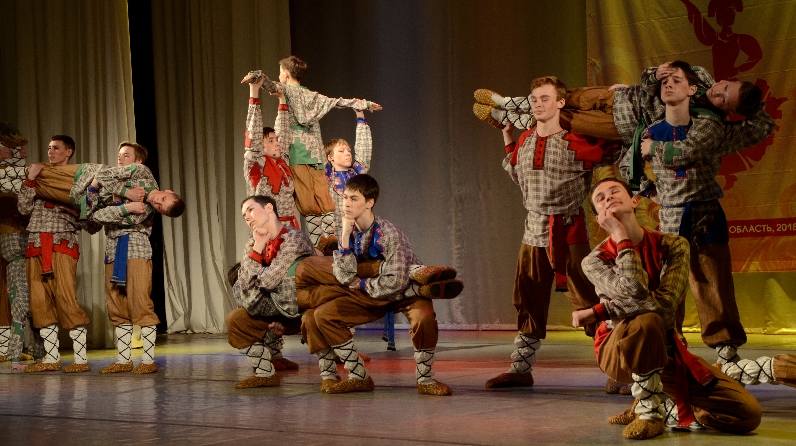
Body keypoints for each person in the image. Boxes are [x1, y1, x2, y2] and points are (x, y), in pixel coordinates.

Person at [574, 177, 761, 440]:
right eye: (601, 198)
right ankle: (649, 413)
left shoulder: (673, 245)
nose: (609, 198)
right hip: (617, 350)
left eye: (615, 191)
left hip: (665, 348)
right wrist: (621, 236)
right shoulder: (594, 260)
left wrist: (600, 311)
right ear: (599, 218)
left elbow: (666, 305)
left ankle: (674, 408)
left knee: (747, 414)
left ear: (634, 201)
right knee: (645, 320)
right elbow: (634, 290)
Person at [628, 61, 774, 368]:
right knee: (667, 285)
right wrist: (649, 191)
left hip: (705, 211)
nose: (670, 85)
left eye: (677, 81)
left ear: (691, 90)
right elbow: (627, 164)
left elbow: (761, 127)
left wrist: (745, 99)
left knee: (713, 282)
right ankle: (668, 348)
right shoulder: (652, 129)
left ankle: (726, 351)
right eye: (666, 82)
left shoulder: (712, 128)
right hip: (671, 216)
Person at [483, 76, 619, 389]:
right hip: (533, 229)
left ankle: (619, 369)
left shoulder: (577, 139)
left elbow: (616, 146)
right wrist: (507, 136)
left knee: (587, 298)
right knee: (527, 296)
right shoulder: (526, 138)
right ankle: (520, 368)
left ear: (560, 102)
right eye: (534, 99)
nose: (538, 105)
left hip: (566, 229)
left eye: (545, 98)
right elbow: (518, 176)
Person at [296, 174, 462, 395]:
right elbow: (344, 277)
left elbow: (396, 281)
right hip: (370, 292)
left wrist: (363, 283)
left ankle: (426, 379)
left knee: (423, 317)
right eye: (345, 197)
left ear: (369, 202)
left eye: (354, 198)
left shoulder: (389, 234)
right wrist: (344, 238)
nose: (346, 203)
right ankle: (358, 375)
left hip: (405, 291)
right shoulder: (348, 231)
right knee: (321, 315)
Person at [242, 55, 382, 246]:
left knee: (307, 202)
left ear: (286, 73)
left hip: (295, 150)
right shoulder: (314, 96)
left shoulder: (286, 90)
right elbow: (337, 101)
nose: (279, 75)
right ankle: (328, 240)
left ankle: (323, 242)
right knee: (322, 200)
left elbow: (269, 85)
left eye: (281, 71)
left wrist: (257, 76)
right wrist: (363, 105)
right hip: (315, 153)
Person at [19, 135, 101, 373]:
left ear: (69, 152)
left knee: (66, 298)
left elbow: (94, 225)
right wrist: (30, 180)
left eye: (56, 148)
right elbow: (23, 208)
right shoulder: (40, 177)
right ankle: (52, 357)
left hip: (62, 243)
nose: (50, 152)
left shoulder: (78, 182)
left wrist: (75, 213)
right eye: (49, 148)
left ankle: (81, 359)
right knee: (39, 301)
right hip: (36, 243)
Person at [89, 142, 171, 375]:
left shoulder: (146, 186)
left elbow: (134, 217)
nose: (120, 159)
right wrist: (126, 206)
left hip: (136, 248)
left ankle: (148, 360)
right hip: (112, 247)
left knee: (140, 301)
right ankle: (124, 359)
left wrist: (119, 211)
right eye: (119, 155)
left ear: (138, 161)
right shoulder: (114, 188)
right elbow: (97, 215)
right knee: (116, 304)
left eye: (126, 155)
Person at [225, 195, 315, 388]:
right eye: (243, 215)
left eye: (250, 210)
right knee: (235, 319)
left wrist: (255, 275)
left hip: (296, 309)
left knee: (247, 293)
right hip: (269, 308)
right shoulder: (253, 242)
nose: (247, 217)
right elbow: (244, 281)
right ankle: (265, 373)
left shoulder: (294, 238)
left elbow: (268, 281)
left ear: (268, 208)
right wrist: (258, 245)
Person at [0, 122, 44, 368]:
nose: (23, 153)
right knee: (21, 299)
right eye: (15, 149)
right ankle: (15, 353)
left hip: (30, 239)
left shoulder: (20, 174)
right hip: (14, 240)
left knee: (36, 298)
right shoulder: (6, 174)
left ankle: (37, 351)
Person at [242, 75, 299, 229]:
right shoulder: (256, 163)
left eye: (276, 140)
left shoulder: (282, 163)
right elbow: (253, 134)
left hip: (290, 228)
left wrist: (282, 99)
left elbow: (283, 130)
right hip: (267, 228)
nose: (277, 143)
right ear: (260, 146)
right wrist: (254, 92)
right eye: (271, 140)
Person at [323, 109, 372, 243]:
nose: (347, 153)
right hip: (334, 233)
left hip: (358, 231)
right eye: (341, 151)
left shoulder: (356, 173)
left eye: (349, 151)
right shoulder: (326, 177)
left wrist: (360, 116)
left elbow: (364, 151)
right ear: (330, 157)